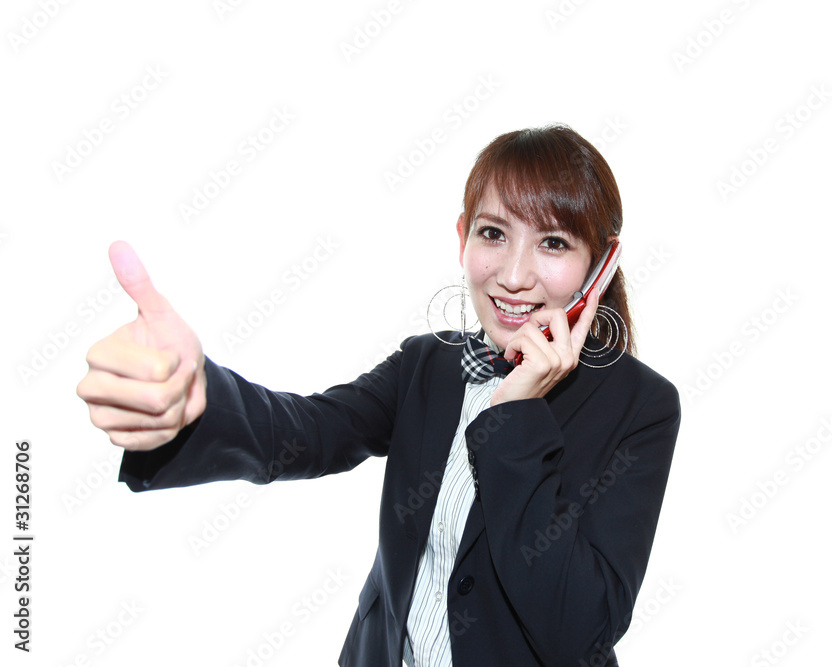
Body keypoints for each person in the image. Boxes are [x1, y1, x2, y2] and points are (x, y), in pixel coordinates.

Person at [77, 124, 681, 667]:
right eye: (493, 233)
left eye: (553, 243)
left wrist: (516, 417)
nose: (515, 275)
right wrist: (198, 395)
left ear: (600, 266)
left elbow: (581, 630)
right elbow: (307, 432)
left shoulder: (642, 408)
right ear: (462, 239)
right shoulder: (428, 365)